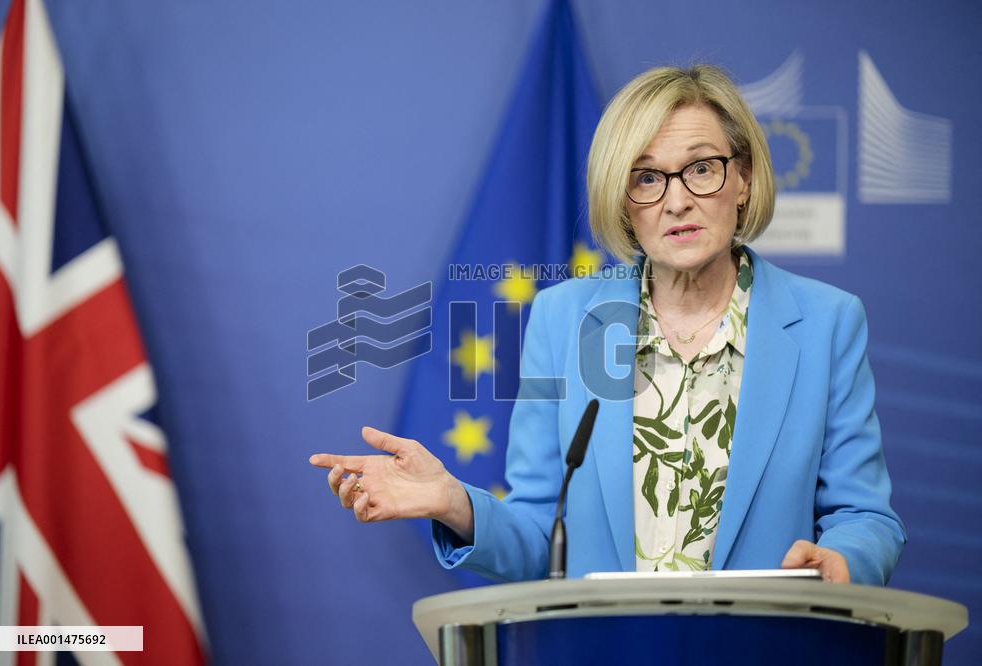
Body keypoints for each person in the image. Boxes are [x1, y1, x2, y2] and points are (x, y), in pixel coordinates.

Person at [309, 64, 905, 585]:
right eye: (646, 177)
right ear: (623, 202)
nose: (676, 201)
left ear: (743, 178)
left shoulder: (826, 324)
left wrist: (844, 561)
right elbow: (542, 533)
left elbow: (867, 517)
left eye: (701, 168)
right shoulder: (564, 321)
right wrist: (455, 503)